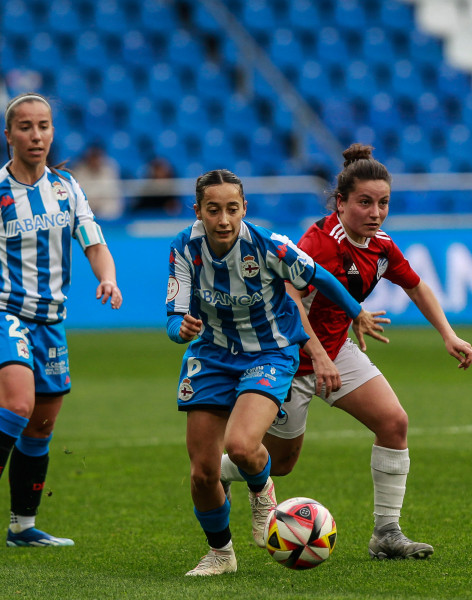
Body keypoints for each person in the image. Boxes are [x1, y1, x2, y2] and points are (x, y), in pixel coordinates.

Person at [219, 144, 472, 559]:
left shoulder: (381, 246)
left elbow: (415, 285)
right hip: (288, 358)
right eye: (365, 203)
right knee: (280, 463)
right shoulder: (319, 244)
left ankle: (386, 534)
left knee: (394, 423)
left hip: (337, 352)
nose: (375, 213)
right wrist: (317, 356)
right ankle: (218, 472)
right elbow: (287, 298)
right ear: (340, 203)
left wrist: (448, 334)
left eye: (383, 203)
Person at [0, 92, 123, 551]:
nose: (36, 135)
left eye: (44, 125)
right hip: (1, 313)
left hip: (50, 322)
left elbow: (94, 242)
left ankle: (22, 525)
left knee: (41, 427)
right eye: (26, 127)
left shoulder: (68, 188)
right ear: (8, 135)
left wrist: (107, 278)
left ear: (52, 131)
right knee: (17, 406)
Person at [166, 168, 386, 576]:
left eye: (232, 209)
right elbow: (174, 319)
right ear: (198, 211)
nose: (224, 220)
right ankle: (220, 555)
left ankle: (262, 490)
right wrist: (180, 328)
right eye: (213, 210)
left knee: (242, 446)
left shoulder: (270, 246)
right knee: (202, 473)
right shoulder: (184, 248)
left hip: (268, 352)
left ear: (244, 208)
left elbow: (320, 277)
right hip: (212, 356)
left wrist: (356, 311)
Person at [71, 143, 123, 220]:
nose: (95, 161)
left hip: (105, 208)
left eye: (97, 157)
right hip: (87, 207)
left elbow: (112, 192)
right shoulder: (79, 170)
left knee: (111, 206)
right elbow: (80, 195)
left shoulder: (110, 169)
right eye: (92, 157)